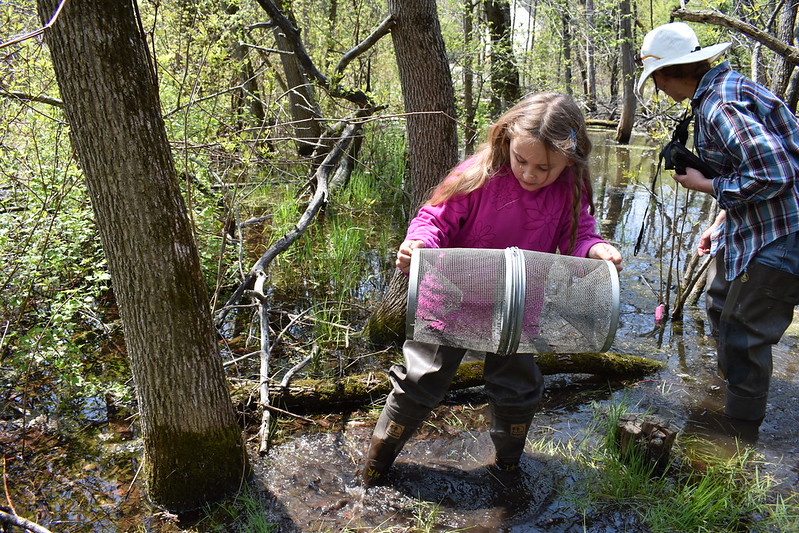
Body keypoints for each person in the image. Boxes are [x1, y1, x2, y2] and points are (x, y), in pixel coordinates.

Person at [359, 92, 623, 488]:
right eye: (521, 160)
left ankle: (508, 468)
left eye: (544, 167)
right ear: (506, 140)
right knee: (421, 378)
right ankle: (376, 467)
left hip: (519, 302)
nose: (530, 174)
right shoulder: (478, 174)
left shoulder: (569, 188)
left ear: (571, 158)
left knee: (518, 386)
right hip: (451, 294)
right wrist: (420, 245)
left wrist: (594, 248)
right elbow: (434, 219)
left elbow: (578, 233)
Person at [636, 22, 799, 435]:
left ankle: (736, 444)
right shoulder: (724, 88)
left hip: (783, 232)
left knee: (744, 333)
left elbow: (776, 174)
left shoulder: (718, 105)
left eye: (656, 79)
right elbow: (751, 168)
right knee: (720, 305)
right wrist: (720, 223)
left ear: (670, 73)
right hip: (753, 225)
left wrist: (706, 184)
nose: (658, 89)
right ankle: (729, 394)